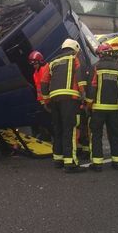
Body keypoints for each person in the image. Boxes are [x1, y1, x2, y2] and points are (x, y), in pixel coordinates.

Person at [41, 38, 87, 173]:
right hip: (70, 98)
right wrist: (83, 95)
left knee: (58, 129)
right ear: (75, 49)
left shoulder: (52, 62)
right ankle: (70, 163)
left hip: (54, 99)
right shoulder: (75, 59)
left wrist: (46, 100)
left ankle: (58, 159)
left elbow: (44, 82)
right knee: (70, 130)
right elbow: (80, 78)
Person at [86, 43, 118, 171]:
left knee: (96, 135)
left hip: (98, 108)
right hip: (114, 109)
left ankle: (97, 164)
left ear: (100, 54)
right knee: (115, 134)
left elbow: (92, 87)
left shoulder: (96, 67)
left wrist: (89, 103)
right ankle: (117, 162)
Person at [28, 50, 52, 141]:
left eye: (35, 63)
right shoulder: (35, 74)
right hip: (43, 101)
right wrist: (42, 102)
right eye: (32, 64)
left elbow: (47, 86)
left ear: (40, 61)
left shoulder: (46, 68)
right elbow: (39, 89)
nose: (34, 65)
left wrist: (47, 102)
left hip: (50, 100)